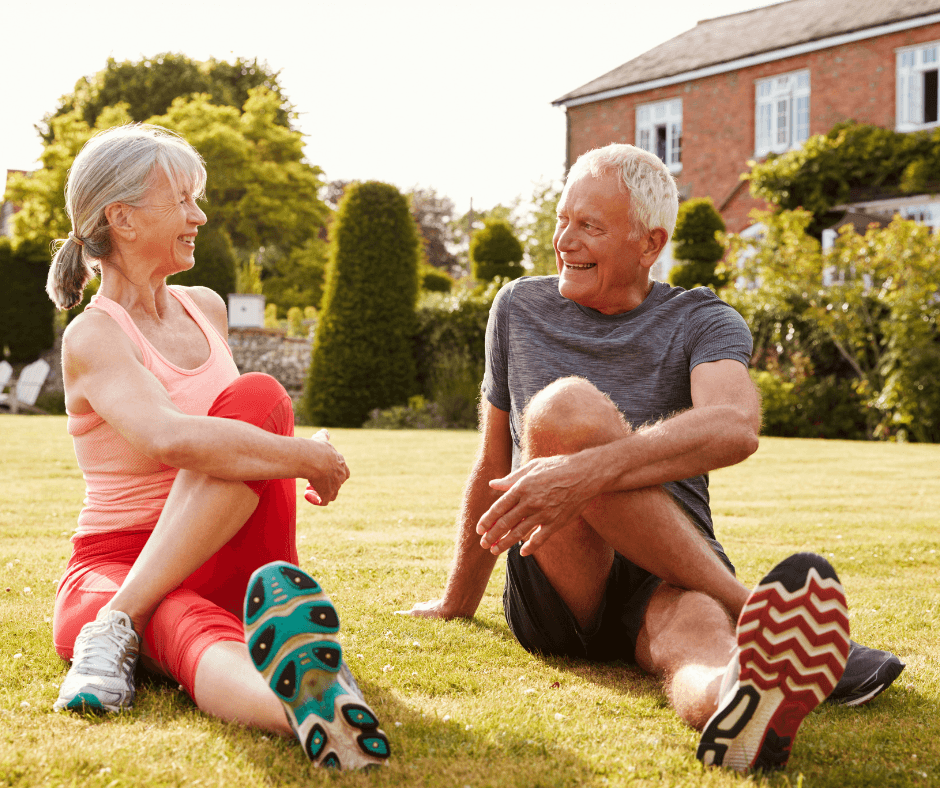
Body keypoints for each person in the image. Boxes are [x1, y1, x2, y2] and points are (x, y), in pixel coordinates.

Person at [406, 143, 904, 772]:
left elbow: (735, 426)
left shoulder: (701, 319)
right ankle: (746, 601)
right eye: (563, 219)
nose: (565, 239)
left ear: (650, 242)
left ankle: (739, 702)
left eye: (590, 226)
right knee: (565, 410)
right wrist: (457, 600)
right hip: (560, 575)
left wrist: (587, 472)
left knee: (700, 638)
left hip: (673, 569)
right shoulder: (518, 308)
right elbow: (492, 462)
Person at [47, 124, 389, 771]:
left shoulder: (206, 307)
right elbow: (170, 437)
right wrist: (306, 456)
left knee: (259, 396)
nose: (198, 216)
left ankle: (120, 627)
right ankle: (310, 711)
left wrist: (285, 444)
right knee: (178, 618)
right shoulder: (94, 337)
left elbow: (234, 437)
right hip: (119, 564)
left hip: (229, 553)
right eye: (182, 200)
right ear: (121, 217)